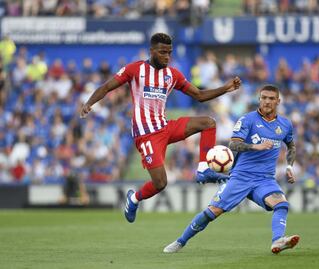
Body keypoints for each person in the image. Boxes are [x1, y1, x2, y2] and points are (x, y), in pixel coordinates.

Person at [79, 33, 241, 223]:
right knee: (160, 183)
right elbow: (107, 87)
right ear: (152, 51)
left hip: (165, 127)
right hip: (146, 135)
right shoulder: (135, 69)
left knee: (209, 123)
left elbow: (199, 95)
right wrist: (89, 103)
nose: (167, 56)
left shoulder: (172, 75)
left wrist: (226, 88)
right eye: (163, 52)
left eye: (169, 53)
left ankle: (204, 168)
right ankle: (134, 198)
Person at [163, 85, 299, 254]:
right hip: (240, 177)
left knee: (282, 204)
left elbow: (291, 146)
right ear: (259, 99)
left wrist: (289, 166)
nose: (267, 101)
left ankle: (277, 241)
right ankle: (180, 241)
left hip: (265, 179)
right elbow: (233, 143)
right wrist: (255, 147)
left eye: (271, 98)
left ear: (278, 101)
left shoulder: (285, 124)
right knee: (213, 212)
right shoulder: (247, 120)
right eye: (263, 97)